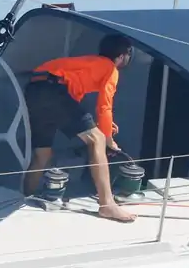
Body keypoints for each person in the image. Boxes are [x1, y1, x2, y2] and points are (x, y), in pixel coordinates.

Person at [23, 33, 136, 223]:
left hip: (35, 90)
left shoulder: (89, 63)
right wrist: (108, 138)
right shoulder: (110, 68)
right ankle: (107, 205)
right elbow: (104, 107)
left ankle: (26, 196)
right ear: (122, 56)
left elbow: (72, 104)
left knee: (43, 154)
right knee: (97, 139)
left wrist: (104, 126)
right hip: (53, 90)